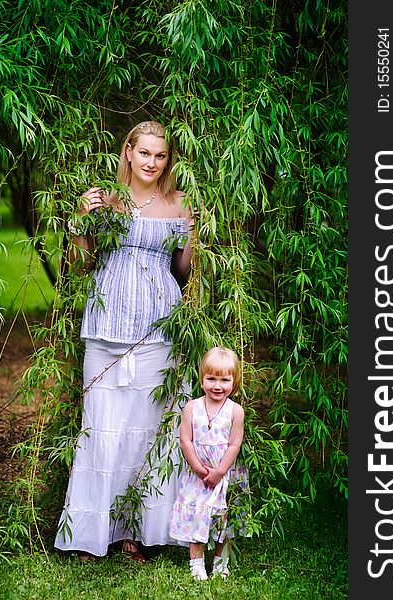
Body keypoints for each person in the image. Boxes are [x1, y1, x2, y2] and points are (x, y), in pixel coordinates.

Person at [54, 121, 195, 563]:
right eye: (145, 153)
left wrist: (195, 234)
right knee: (101, 429)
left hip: (158, 327)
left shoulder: (179, 203)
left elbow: (184, 271)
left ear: (168, 160)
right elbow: (80, 262)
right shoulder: (106, 200)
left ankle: (136, 533)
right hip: (106, 327)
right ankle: (93, 534)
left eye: (161, 156)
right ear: (129, 152)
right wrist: (81, 221)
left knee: (148, 431)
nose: (153, 163)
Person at [169, 346, 247, 580]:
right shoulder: (192, 407)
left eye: (224, 380)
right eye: (211, 378)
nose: (217, 385)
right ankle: (197, 563)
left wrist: (220, 472)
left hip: (226, 473)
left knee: (225, 518)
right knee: (196, 515)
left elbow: (235, 443)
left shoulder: (235, 411)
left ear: (234, 382)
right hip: (198, 474)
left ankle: (221, 562)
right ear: (202, 378)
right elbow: (186, 439)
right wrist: (199, 469)